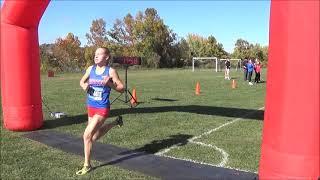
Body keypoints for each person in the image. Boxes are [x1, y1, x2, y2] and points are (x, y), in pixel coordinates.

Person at [76, 47, 125, 175]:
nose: (96, 56)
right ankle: (115, 123)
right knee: (94, 136)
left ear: (107, 57)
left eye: (99, 54)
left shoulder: (111, 71)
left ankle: (87, 165)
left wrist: (110, 84)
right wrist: (84, 85)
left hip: (102, 108)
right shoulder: (90, 69)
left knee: (86, 135)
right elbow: (81, 81)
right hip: (90, 106)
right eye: (95, 54)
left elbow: (121, 88)